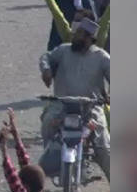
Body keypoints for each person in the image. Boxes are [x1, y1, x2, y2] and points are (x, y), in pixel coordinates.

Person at [40, 19, 112, 180]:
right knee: (47, 124)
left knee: (104, 146)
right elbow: (46, 57)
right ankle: (52, 163)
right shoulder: (63, 51)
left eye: (79, 34)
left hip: (91, 108)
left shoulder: (102, 57)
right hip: (61, 105)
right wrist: (46, 70)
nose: (74, 36)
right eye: (76, 33)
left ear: (90, 39)